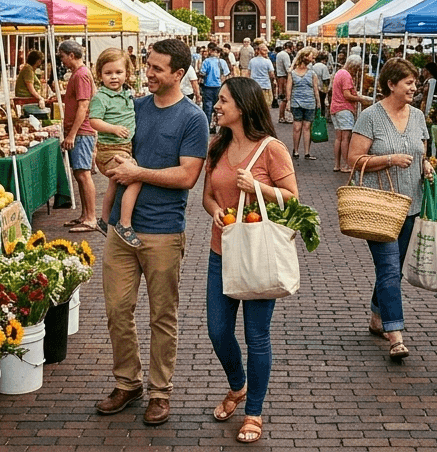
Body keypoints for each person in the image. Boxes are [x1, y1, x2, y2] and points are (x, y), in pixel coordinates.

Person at [95, 39, 209, 426]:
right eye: (148, 65)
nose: (148, 74)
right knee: (117, 310)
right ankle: (128, 382)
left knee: (162, 316)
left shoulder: (193, 118)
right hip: (120, 231)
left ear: (179, 74)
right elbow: (111, 153)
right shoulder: (133, 107)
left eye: (157, 69)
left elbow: (187, 176)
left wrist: (138, 172)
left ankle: (160, 391)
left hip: (163, 231)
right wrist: (110, 163)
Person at [201, 77, 298, 444]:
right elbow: (207, 196)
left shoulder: (271, 148)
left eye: (223, 100)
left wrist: (258, 188)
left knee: (257, 336)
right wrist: (214, 210)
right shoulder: (217, 146)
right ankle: (237, 385)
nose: (217, 105)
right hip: (221, 251)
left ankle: (253, 411)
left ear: (242, 107)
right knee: (217, 331)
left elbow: (292, 197)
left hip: (258, 253)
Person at [347, 58, 433, 362]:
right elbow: (353, 159)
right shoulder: (370, 116)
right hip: (379, 207)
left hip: (411, 204)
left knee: (392, 268)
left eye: (414, 82)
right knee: (389, 268)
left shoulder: (418, 116)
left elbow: (422, 152)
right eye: (408, 82)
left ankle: (376, 317)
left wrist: (426, 166)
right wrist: (389, 160)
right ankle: (395, 334)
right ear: (391, 84)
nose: (414, 87)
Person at [88, 48, 145, 246]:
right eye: (108, 73)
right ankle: (124, 223)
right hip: (109, 151)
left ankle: (104, 220)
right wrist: (113, 128)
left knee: (114, 184)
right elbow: (94, 120)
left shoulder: (127, 94)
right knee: (135, 178)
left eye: (118, 72)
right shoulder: (101, 98)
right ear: (100, 75)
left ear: (127, 73)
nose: (114, 77)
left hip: (124, 148)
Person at [59, 40, 99, 232]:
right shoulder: (80, 73)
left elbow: (83, 105)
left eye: (62, 56)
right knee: (79, 173)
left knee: (83, 174)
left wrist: (72, 134)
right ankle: (85, 215)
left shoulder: (81, 75)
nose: (62, 60)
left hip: (82, 131)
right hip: (81, 131)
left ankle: (91, 217)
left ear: (71, 55)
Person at [330, 54, 366, 173]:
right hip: (344, 109)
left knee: (339, 138)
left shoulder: (339, 73)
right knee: (346, 138)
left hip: (335, 108)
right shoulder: (346, 75)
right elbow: (346, 95)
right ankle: (347, 165)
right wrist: (360, 99)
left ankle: (337, 164)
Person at [287, 48, 321, 160]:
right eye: (311, 56)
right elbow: (289, 88)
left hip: (309, 103)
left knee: (306, 127)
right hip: (297, 103)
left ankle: (306, 152)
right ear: (305, 56)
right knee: (297, 127)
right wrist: (288, 101)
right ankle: (296, 150)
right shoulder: (292, 73)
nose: (313, 59)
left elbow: (315, 89)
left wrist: (318, 102)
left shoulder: (312, 73)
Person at [200, 43, 231, 129]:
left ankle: (207, 126)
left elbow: (202, 73)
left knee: (207, 108)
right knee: (219, 107)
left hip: (207, 86)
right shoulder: (222, 62)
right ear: (218, 53)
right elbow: (227, 74)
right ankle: (216, 125)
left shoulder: (206, 61)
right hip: (219, 87)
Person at [248, 44, 275, 108]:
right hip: (265, 86)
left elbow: (249, 73)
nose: (266, 52)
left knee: (255, 105)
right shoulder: (268, 62)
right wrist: (273, 80)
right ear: (260, 51)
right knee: (266, 105)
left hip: (254, 86)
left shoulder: (252, 61)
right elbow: (272, 74)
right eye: (265, 50)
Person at [275, 41, 294, 123]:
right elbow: (288, 69)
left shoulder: (279, 54)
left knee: (283, 97)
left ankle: (282, 116)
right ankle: (282, 116)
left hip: (280, 76)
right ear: (290, 48)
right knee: (285, 97)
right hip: (284, 77)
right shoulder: (285, 55)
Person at [311, 52, 332, 118]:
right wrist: (325, 90)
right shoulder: (323, 67)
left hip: (313, 88)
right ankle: (321, 117)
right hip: (321, 89)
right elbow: (326, 79)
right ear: (323, 60)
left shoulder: (313, 66)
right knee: (321, 104)